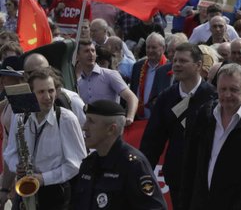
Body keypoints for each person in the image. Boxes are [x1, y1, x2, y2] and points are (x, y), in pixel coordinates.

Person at [180, 63, 241, 209]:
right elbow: (190, 162)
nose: (227, 95)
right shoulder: (206, 114)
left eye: (233, 89)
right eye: (222, 89)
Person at [139, 42, 218, 210]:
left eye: (183, 61)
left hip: (207, 176)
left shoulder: (213, 96)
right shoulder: (166, 98)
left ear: (198, 65)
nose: (177, 65)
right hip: (177, 175)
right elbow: (152, 141)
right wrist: (142, 173)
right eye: (175, 60)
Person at [2, 67, 87, 210]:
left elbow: (76, 164)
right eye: (41, 92)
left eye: (51, 91)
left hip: (55, 193)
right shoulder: (20, 115)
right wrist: (17, 165)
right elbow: (10, 153)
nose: (48, 97)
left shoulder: (66, 119)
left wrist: (43, 179)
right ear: (30, 93)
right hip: (24, 188)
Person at [71, 99, 166, 210]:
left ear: (111, 129)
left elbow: (155, 207)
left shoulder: (132, 165)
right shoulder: (89, 164)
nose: (84, 127)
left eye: (91, 121)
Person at [74, 39, 138, 123]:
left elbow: (132, 97)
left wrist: (130, 117)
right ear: (77, 56)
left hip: (111, 129)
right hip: (91, 131)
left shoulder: (110, 75)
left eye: (93, 51)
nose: (91, 54)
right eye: (86, 51)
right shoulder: (79, 83)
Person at [128, 32, 171, 120]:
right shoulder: (137, 66)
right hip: (138, 118)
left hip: (159, 120)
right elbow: (133, 91)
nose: (150, 50)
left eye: (154, 47)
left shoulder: (169, 69)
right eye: (148, 47)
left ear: (163, 48)